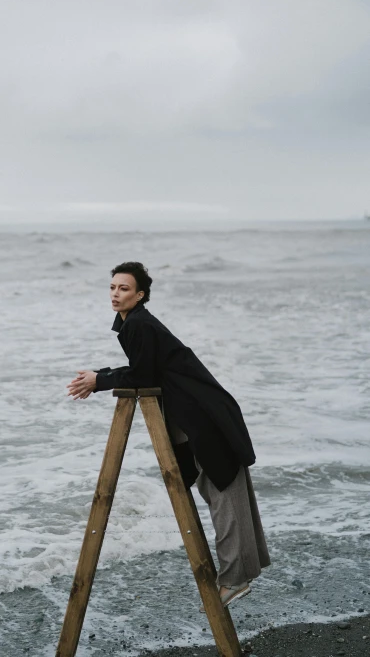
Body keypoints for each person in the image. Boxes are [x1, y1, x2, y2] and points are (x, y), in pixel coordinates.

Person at [67, 261, 270, 609]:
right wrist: (102, 376)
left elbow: (142, 375)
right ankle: (244, 572)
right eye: (113, 288)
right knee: (225, 492)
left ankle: (236, 579)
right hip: (199, 414)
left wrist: (100, 380)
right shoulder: (136, 325)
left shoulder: (140, 326)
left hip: (206, 417)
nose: (116, 294)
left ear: (141, 294)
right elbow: (147, 370)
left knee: (226, 495)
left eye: (124, 289)